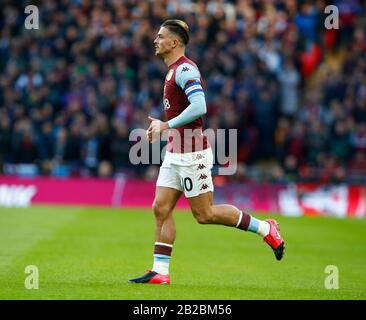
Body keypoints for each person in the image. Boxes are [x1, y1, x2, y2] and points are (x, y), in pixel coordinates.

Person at [129, 19, 285, 285]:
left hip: (193, 154)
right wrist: (165, 130)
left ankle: (265, 228)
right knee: (160, 208)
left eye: (160, 36)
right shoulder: (171, 71)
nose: (155, 40)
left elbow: (200, 106)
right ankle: (160, 272)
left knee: (204, 214)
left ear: (174, 42)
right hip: (175, 152)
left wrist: (166, 125)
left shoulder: (185, 70)